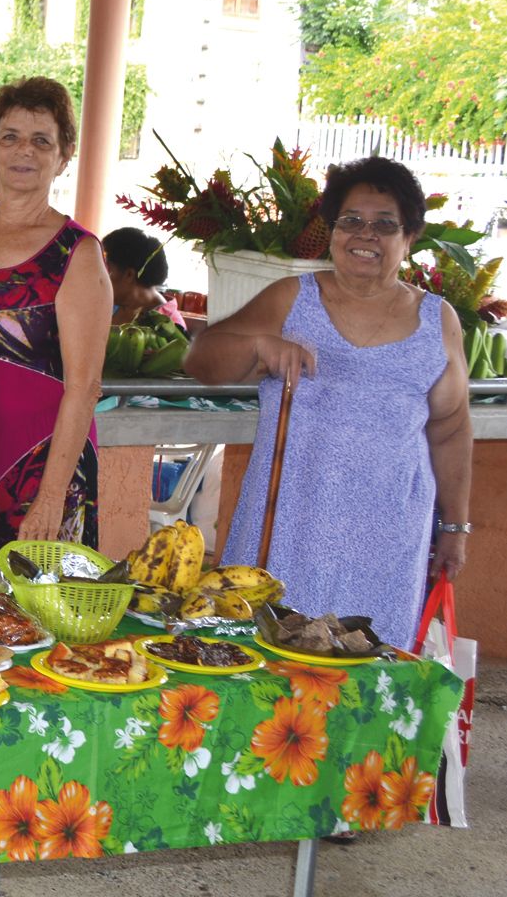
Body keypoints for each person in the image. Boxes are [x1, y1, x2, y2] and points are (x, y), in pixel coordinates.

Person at [189, 158, 470, 643]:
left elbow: (449, 428)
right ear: (333, 230)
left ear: (411, 237)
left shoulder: (437, 320)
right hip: (288, 523)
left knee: (369, 666)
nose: (366, 235)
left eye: (385, 225)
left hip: (388, 532)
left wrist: (455, 526)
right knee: (266, 663)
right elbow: (202, 360)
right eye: (351, 221)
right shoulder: (290, 298)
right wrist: (257, 348)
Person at [0, 77, 111, 560]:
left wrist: (51, 499)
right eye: (10, 137)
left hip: (40, 473)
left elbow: (85, 387)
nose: (24, 152)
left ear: (63, 156)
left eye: (42, 141)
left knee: (35, 625)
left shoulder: (77, 254)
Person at [103, 227, 182, 325]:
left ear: (129, 275)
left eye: (107, 271)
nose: (101, 278)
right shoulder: (110, 306)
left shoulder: (169, 327)